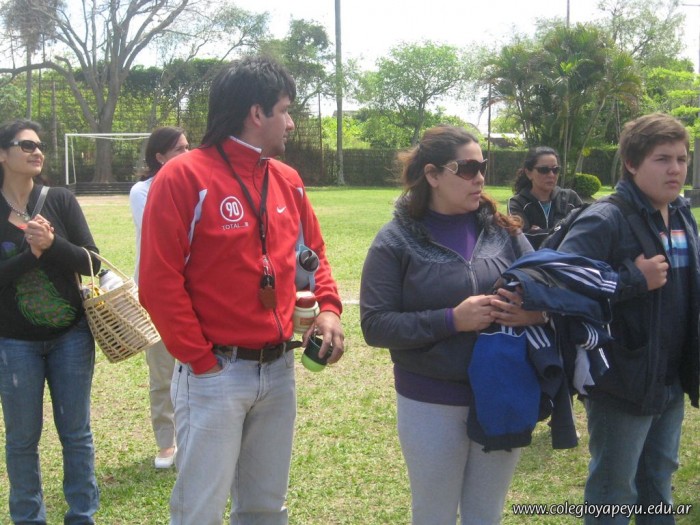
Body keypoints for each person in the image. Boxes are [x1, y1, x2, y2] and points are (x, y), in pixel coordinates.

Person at [138, 56, 345, 525]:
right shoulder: (184, 176)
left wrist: (329, 310)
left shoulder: (287, 180)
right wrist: (202, 361)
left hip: (279, 370)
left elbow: (313, 256)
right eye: (285, 110)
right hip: (215, 372)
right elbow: (158, 282)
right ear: (256, 113)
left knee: (265, 508)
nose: (291, 123)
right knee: (200, 510)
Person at [360, 125, 547, 525]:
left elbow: (548, 290)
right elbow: (375, 324)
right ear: (432, 174)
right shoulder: (395, 240)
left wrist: (533, 313)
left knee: (486, 515)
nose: (479, 177)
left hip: (501, 391)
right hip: (430, 399)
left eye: (483, 166)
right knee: (434, 515)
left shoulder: (504, 232)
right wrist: (452, 320)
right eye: (467, 168)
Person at [557, 113, 700, 524]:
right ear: (632, 164)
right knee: (614, 491)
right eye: (662, 159)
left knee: (658, 480)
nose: (675, 169)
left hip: (670, 377)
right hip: (621, 380)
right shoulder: (606, 218)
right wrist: (632, 280)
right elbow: (559, 283)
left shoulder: (681, 214)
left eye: (681, 159)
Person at [0, 119, 101, 524]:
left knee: (76, 434)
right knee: (22, 439)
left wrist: (53, 243)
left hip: (71, 337)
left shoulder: (60, 199)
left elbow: (92, 262)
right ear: (2, 154)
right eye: (25, 145)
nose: (36, 151)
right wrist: (31, 255)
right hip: (13, 343)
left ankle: (82, 515)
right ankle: (28, 518)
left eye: (39, 145)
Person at [129, 126, 189, 469]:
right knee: (163, 371)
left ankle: (195, 434)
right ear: (159, 156)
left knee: (199, 368)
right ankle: (167, 442)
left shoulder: (196, 184)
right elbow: (168, 235)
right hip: (156, 294)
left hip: (195, 291)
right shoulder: (142, 191)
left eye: (187, 147)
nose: (186, 153)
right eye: (178, 149)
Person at [507, 146, 583, 249]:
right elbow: (522, 240)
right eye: (544, 170)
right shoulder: (518, 203)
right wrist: (565, 229)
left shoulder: (570, 198)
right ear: (529, 173)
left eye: (555, 170)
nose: (551, 175)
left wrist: (540, 233)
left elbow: (583, 231)